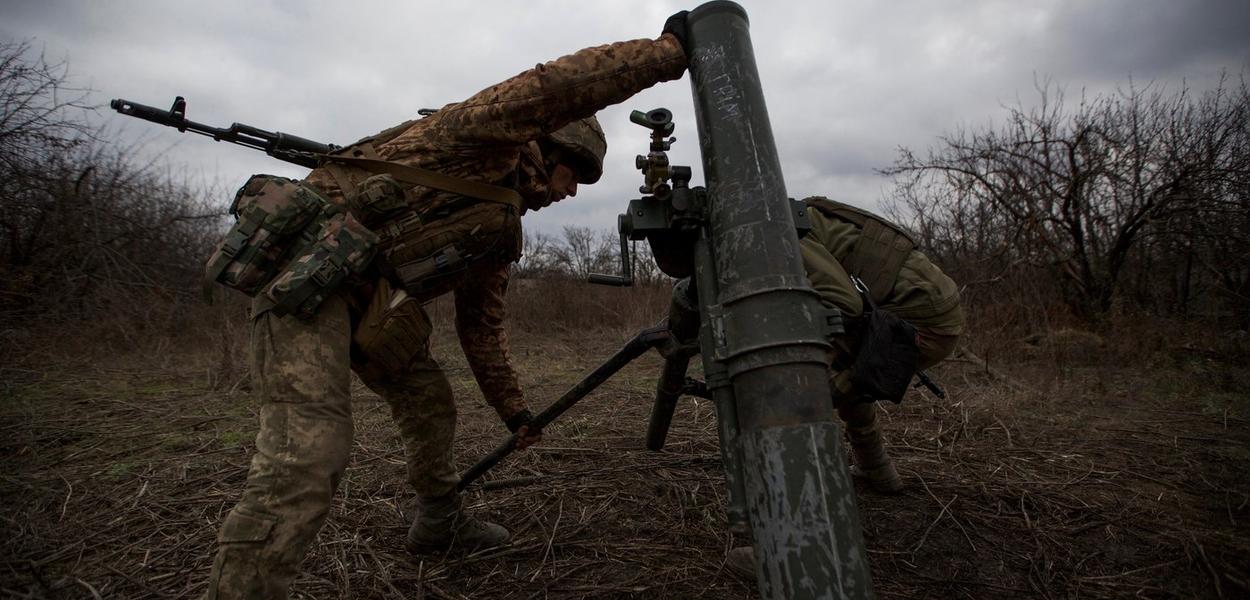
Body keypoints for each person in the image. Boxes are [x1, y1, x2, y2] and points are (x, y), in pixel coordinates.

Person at [204, 15, 692, 600]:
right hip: (308, 282)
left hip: (370, 301)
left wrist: (515, 413)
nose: (571, 192)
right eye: (574, 174)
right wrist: (668, 54)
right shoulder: (480, 138)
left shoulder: (499, 229)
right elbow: (551, 86)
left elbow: (480, 330)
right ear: (550, 142)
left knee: (431, 403)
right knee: (307, 452)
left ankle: (439, 522)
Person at [726, 195, 964, 577]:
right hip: (926, 312)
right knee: (848, 372)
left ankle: (796, 543)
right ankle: (877, 470)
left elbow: (845, 305)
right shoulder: (787, 213)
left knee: (804, 390)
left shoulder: (777, 229)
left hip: (919, 327)